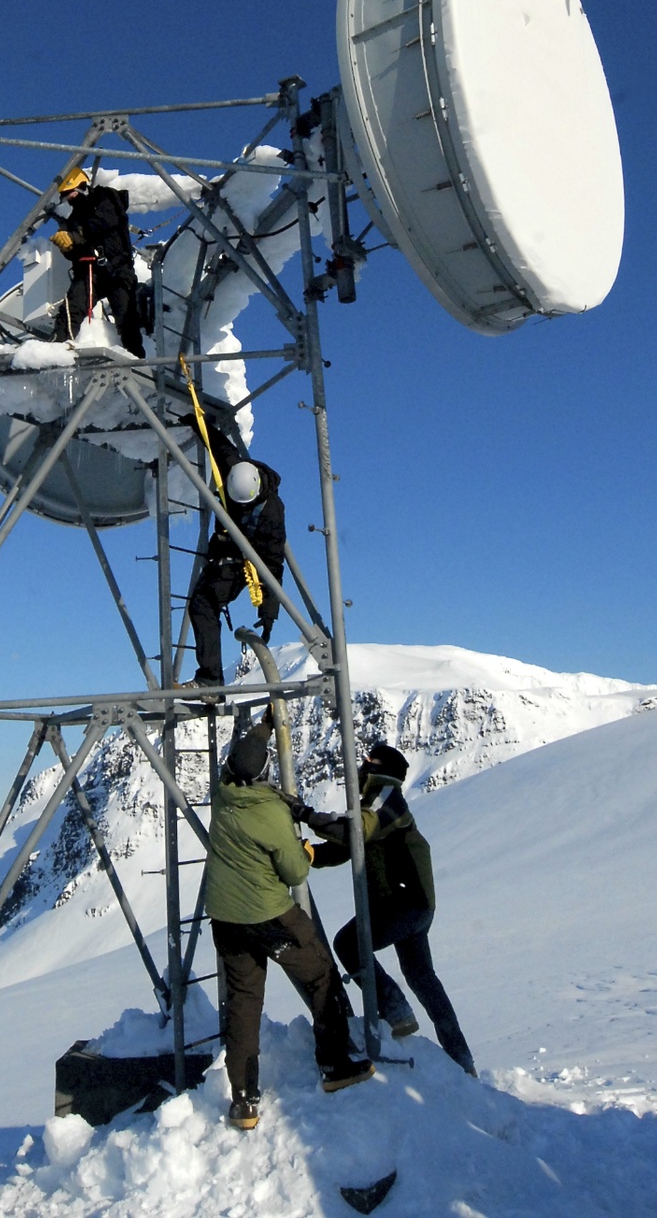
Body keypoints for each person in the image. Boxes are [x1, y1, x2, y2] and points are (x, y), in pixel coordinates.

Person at [205, 713, 374, 1129]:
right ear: (265, 774)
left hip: (225, 917)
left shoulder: (222, 792)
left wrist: (264, 728)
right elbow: (296, 873)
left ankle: (244, 1101)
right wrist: (301, 843)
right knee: (320, 974)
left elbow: (243, 756)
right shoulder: (270, 816)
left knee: (244, 1002)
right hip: (268, 915)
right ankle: (335, 1066)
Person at [298, 743, 477, 1076]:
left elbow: (355, 831)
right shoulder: (377, 804)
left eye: (369, 761)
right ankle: (462, 1061)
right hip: (411, 904)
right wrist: (312, 855)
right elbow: (348, 846)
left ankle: (395, 1010)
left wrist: (308, 817)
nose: (362, 765)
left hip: (405, 904)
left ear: (380, 770)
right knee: (424, 979)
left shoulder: (386, 800)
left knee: (349, 944)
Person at [180, 415, 285, 690]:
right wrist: (198, 423)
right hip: (222, 552)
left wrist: (269, 609)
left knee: (203, 603)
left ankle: (210, 678)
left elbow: (273, 562)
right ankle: (209, 677)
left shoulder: (271, 514)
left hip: (243, 564)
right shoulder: (233, 470)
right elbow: (220, 446)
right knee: (201, 603)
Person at [50, 167, 146, 358]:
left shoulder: (106, 198)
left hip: (117, 269)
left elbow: (103, 224)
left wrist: (74, 237)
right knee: (72, 308)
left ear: (83, 187)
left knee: (126, 317)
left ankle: (136, 361)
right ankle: (57, 349)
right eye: (67, 196)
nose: (70, 199)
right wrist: (68, 246)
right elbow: (77, 249)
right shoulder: (74, 219)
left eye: (72, 194)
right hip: (89, 271)